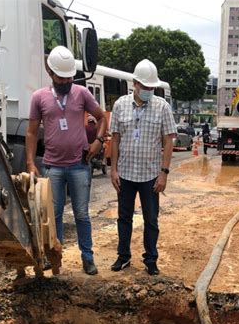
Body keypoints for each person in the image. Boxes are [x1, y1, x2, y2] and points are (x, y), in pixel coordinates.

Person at [26, 46, 107, 275]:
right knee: (54, 215)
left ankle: (87, 258)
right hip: (52, 166)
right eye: (61, 77)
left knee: (82, 214)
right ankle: (55, 256)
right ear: (50, 72)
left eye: (69, 77)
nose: (66, 81)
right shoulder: (39, 97)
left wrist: (98, 141)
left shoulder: (81, 93)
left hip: (79, 165)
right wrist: (30, 163)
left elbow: (101, 117)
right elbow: (31, 133)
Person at [109, 59, 177, 276]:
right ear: (135, 84)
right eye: (145, 86)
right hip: (126, 174)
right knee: (124, 217)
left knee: (151, 219)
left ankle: (150, 259)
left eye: (151, 87)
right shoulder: (120, 105)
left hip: (150, 176)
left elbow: (168, 141)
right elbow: (116, 139)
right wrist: (113, 170)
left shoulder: (162, 108)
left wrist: (164, 173)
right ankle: (123, 256)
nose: (149, 90)